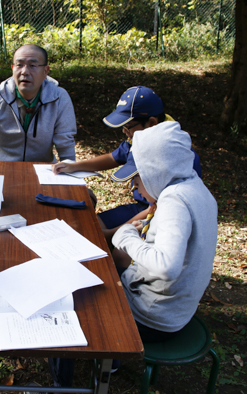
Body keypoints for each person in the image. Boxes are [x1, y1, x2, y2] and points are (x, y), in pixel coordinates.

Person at [111, 121, 218, 342]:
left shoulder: (174, 200)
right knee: (118, 256)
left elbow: (167, 267)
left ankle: (108, 357)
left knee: (80, 300)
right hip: (177, 312)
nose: (134, 186)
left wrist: (127, 237)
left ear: (155, 171)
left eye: (137, 177)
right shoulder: (195, 187)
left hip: (151, 318)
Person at [52, 86, 202, 241]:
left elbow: (157, 207)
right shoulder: (139, 138)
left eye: (127, 126)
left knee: (113, 248)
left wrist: (114, 233)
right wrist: (74, 166)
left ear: (151, 122)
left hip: (161, 215)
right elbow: (114, 157)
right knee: (91, 225)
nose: (124, 131)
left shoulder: (173, 156)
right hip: (141, 206)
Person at [0, 44, 77, 165]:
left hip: (42, 171)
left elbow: (65, 144)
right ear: (13, 68)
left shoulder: (58, 98)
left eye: (33, 66)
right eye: (19, 65)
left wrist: (72, 177)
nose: (24, 72)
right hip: (1, 169)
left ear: (45, 71)